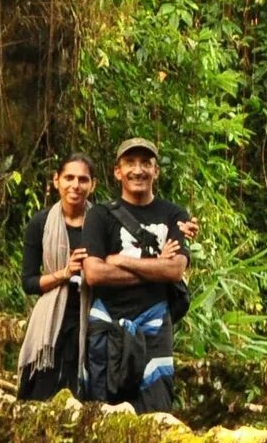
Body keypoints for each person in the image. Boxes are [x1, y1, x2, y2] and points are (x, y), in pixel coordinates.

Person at [77, 136, 197, 413]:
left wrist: (119, 260)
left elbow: (176, 269)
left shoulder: (174, 214)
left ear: (156, 171)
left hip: (154, 322)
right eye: (130, 163)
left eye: (146, 163)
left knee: (156, 414)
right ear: (117, 171)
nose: (138, 170)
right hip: (106, 323)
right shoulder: (100, 216)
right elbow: (94, 273)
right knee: (100, 412)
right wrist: (156, 267)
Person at [17, 153, 99, 402]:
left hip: (91, 316)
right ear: (56, 181)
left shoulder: (102, 222)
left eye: (83, 180)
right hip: (52, 319)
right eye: (69, 178)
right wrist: (64, 273)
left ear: (92, 185)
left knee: (82, 397)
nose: (75, 185)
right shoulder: (40, 223)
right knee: (40, 394)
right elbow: (29, 282)